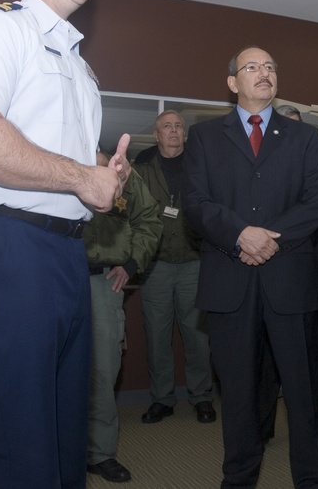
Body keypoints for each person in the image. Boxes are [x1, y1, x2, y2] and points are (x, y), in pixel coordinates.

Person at [0, 0, 130, 488]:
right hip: (11, 247)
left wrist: (104, 177)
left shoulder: (81, 66)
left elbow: (61, 157)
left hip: (69, 254)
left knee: (66, 433)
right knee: (22, 433)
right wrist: (82, 179)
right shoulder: (0, 29)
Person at [184, 48, 318, 488]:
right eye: (252, 67)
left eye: (270, 66)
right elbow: (195, 203)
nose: (263, 73)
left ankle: (312, 480)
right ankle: (239, 480)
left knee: (302, 394)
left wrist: (266, 238)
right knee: (239, 396)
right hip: (230, 282)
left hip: (289, 280)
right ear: (233, 83)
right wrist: (240, 235)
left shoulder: (304, 138)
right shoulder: (205, 137)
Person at [258, 103, 318, 445]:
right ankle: (262, 428)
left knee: (316, 359)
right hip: (275, 277)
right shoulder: (263, 177)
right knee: (269, 358)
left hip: (316, 279)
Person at [133, 110, 217, 425]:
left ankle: (202, 397)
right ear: (157, 135)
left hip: (194, 261)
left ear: (185, 134)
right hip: (155, 266)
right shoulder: (141, 166)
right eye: (166, 126)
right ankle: (162, 399)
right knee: (157, 337)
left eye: (178, 126)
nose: (173, 131)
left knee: (197, 336)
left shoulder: (200, 165)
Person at [83, 154, 162, 483]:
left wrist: (131, 264)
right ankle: (55, 450)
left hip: (100, 281)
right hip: (50, 277)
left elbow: (150, 220)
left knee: (103, 368)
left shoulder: (116, 166)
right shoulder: (50, 156)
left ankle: (99, 453)